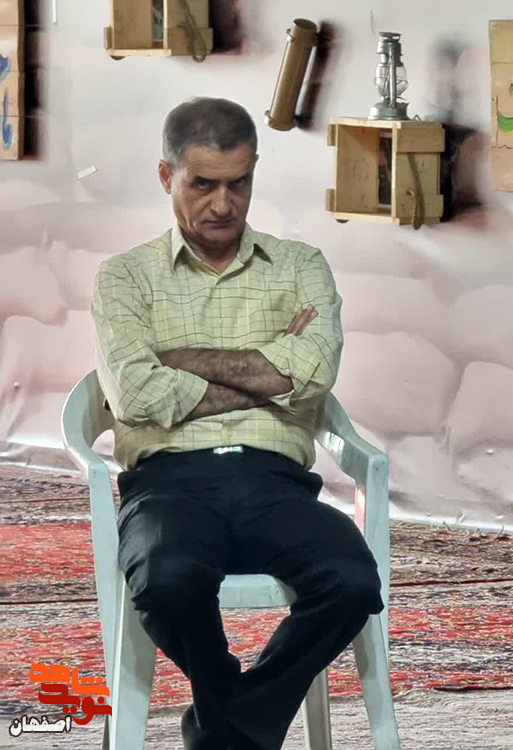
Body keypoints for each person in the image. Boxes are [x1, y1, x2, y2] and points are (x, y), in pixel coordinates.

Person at [91, 97, 382, 750]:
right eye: (203, 184)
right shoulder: (125, 279)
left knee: (353, 582)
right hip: (167, 484)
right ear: (166, 176)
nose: (223, 204)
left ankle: (225, 728)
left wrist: (179, 361)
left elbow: (313, 373)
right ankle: (233, 711)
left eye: (239, 183)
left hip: (275, 482)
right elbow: (136, 395)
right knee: (166, 582)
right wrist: (267, 372)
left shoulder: (301, 265)